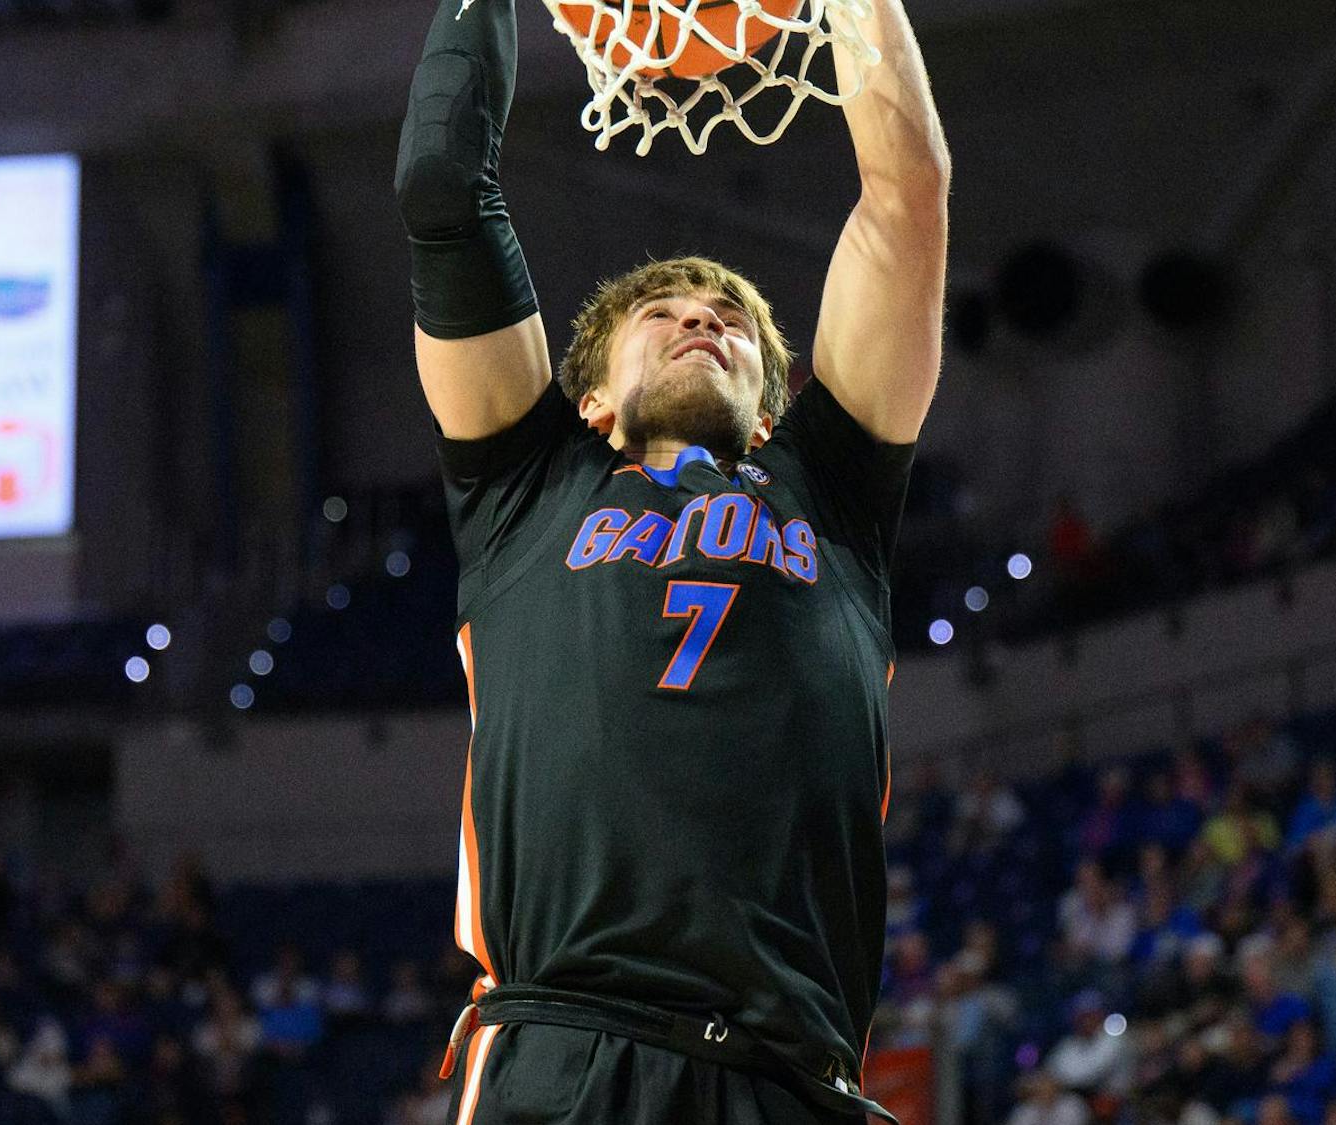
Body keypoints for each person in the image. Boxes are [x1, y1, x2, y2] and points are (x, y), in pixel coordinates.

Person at [393, 0, 949, 1112]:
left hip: (794, 1077)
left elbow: (908, 197)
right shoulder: (524, 483)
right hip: (567, 1052)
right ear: (590, 395)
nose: (704, 316)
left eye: (733, 317)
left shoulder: (830, 489)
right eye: (663, 307)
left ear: (774, 396)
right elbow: (445, 196)